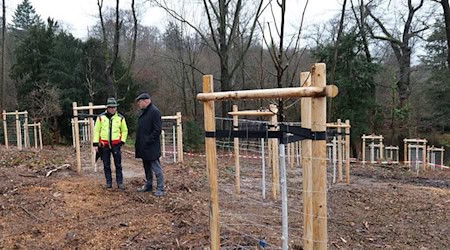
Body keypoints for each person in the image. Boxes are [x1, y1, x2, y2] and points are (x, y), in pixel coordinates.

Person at [93, 97, 128, 190]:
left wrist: (122, 141)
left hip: (116, 144)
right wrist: (96, 143)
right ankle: (108, 182)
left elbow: (124, 130)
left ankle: (120, 183)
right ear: (107, 108)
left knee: (118, 164)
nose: (113, 109)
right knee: (106, 164)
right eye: (111, 107)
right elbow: (96, 130)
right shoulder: (100, 117)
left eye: (114, 107)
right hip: (104, 145)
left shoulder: (120, 118)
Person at [134, 92, 164, 196]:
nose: (139, 104)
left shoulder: (154, 112)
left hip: (151, 146)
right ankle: (149, 185)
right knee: (146, 166)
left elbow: (157, 130)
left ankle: (160, 188)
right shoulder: (144, 112)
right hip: (144, 147)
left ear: (146, 101)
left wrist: (148, 140)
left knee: (156, 167)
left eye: (140, 102)